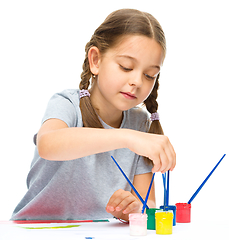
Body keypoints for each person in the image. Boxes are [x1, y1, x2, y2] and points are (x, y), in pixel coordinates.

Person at [11, 8, 176, 222]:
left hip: (97, 232)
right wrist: (128, 138)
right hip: (35, 230)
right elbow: (48, 145)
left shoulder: (140, 123)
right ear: (96, 60)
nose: (137, 81)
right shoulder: (67, 103)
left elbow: (147, 204)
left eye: (149, 75)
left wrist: (130, 209)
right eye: (126, 67)